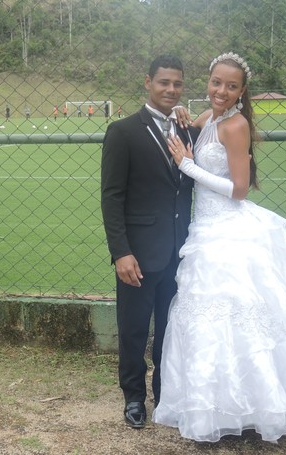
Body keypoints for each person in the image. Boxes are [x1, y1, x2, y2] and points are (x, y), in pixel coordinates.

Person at [152, 52, 286, 442]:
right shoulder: (210, 119)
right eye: (216, 83)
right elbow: (193, 134)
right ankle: (217, 406)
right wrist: (181, 121)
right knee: (207, 319)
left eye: (231, 86)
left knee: (239, 316)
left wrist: (188, 166)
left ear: (242, 93)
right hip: (204, 229)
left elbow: (239, 190)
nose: (221, 91)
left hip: (229, 229)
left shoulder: (236, 125)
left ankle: (257, 408)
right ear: (207, 82)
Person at [101, 54, 199, 430]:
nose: (170, 90)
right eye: (163, 83)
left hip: (180, 252)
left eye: (177, 84)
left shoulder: (187, 130)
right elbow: (112, 197)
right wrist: (121, 252)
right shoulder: (123, 132)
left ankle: (165, 394)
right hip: (139, 254)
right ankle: (134, 398)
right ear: (148, 82)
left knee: (171, 329)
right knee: (134, 328)